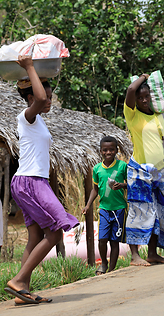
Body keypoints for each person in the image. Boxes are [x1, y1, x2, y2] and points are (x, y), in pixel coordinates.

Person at [5, 55, 79, 304]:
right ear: (30, 98)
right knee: (56, 231)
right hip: (30, 182)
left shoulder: (37, 122)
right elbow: (38, 98)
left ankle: (21, 289)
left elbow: (40, 97)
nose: (47, 100)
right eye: (44, 97)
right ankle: (18, 281)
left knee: (36, 236)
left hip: (31, 183)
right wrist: (28, 67)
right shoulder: (27, 116)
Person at [124, 74, 164, 266]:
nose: (144, 100)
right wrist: (144, 77)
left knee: (157, 211)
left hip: (159, 172)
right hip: (139, 170)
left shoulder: (157, 117)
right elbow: (130, 90)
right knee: (138, 211)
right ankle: (135, 256)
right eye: (141, 98)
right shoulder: (132, 115)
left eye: (147, 97)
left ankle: (152, 253)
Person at [82, 136, 127, 275]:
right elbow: (95, 189)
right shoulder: (97, 169)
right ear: (101, 151)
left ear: (116, 150)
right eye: (105, 150)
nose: (109, 153)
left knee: (114, 241)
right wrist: (88, 205)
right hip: (104, 210)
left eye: (112, 150)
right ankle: (104, 263)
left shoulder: (122, 166)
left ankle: (112, 269)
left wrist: (123, 185)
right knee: (102, 239)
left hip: (119, 209)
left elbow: (131, 183)